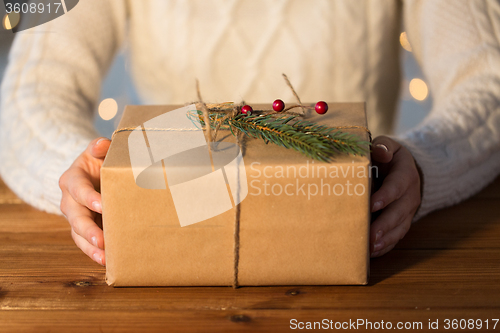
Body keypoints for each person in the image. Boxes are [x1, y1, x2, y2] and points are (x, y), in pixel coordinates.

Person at [1, 0, 499, 266]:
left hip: (349, 223)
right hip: (170, 228)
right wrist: (78, 175)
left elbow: (489, 78)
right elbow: (27, 94)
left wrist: (426, 162)